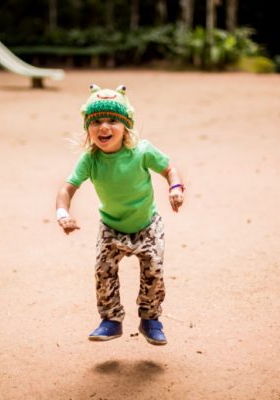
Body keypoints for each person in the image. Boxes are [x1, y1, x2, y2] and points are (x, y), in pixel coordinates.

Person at [55, 84, 184, 346]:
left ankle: (150, 319)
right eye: (96, 121)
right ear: (88, 128)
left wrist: (175, 187)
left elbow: (169, 168)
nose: (104, 127)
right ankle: (111, 320)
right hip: (111, 227)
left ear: (126, 125)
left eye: (112, 120)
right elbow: (66, 189)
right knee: (103, 271)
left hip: (147, 225)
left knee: (153, 270)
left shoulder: (142, 151)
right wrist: (62, 213)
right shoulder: (90, 160)